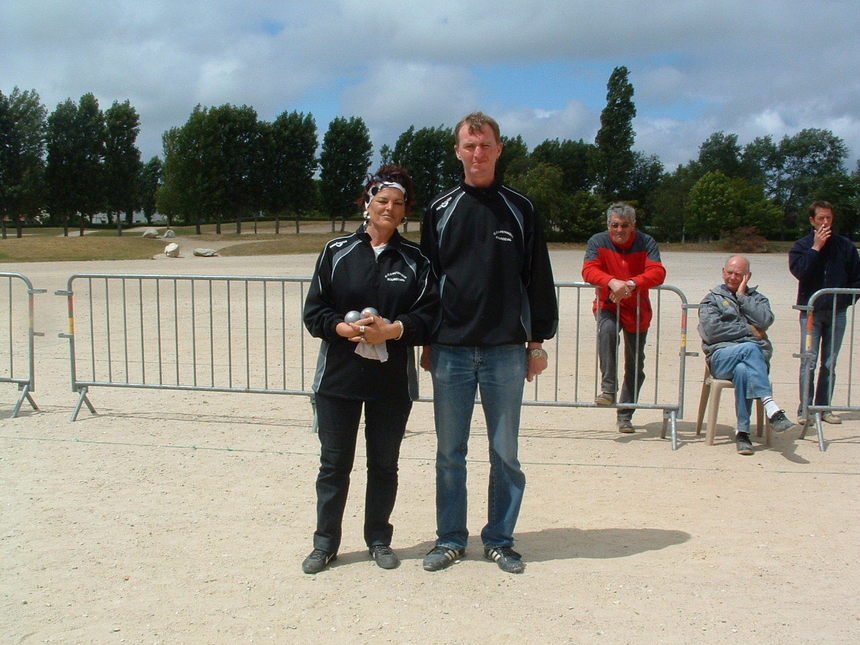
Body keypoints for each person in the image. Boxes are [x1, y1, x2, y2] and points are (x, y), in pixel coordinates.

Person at [419, 112, 557, 574]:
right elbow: (427, 281)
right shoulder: (439, 210)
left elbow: (537, 279)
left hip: (504, 350)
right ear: (458, 151)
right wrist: (425, 340)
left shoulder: (521, 208)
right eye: (469, 146)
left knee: (505, 453)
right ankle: (451, 538)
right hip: (451, 350)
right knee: (449, 453)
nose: (477, 154)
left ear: (499, 149)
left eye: (485, 145)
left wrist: (536, 342)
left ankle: (499, 538)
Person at [301, 165, 438, 574]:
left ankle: (378, 538)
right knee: (334, 464)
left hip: (391, 383)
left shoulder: (415, 259)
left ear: (405, 211)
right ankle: (325, 543)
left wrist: (393, 330)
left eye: (397, 204)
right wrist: (341, 327)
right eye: (381, 201)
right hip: (338, 381)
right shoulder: (335, 251)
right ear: (367, 202)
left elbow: (430, 316)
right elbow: (314, 312)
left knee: (384, 464)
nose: (389, 208)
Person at [698, 256, 796, 455]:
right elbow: (711, 332)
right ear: (723, 272)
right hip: (721, 357)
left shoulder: (758, 299)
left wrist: (743, 298)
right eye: (730, 273)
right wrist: (749, 329)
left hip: (752, 362)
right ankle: (771, 406)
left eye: (739, 274)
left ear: (747, 276)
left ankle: (742, 433)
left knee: (744, 369)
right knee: (751, 349)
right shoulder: (712, 299)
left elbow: (766, 320)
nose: (733, 277)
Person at [581, 203, 666, 433]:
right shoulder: (597, 241)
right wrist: (611, 282)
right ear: (608, 225)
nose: (619, 230)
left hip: (638, 309)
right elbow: (588, 270)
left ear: (633, 225)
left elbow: (658, 272)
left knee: (635, 364)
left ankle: (625, 414)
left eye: (625, 225)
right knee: (607, 332)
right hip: (608, 304)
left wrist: (631, 283)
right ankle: (608, 389)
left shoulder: (646, 242)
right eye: (615, 225)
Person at [789, 201, 860, 425]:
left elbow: (857, 278)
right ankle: (805, 409)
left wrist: (845, 301)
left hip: (837, 312)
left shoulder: (845, 246)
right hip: (810, 313)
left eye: (828, 218)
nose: (825, 222)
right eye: (821, 218)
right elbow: (800, 271)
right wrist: (816, 248)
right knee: (808, 362)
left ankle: (824, 407)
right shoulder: (801, 247)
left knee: (829, 362)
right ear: (812, 221)